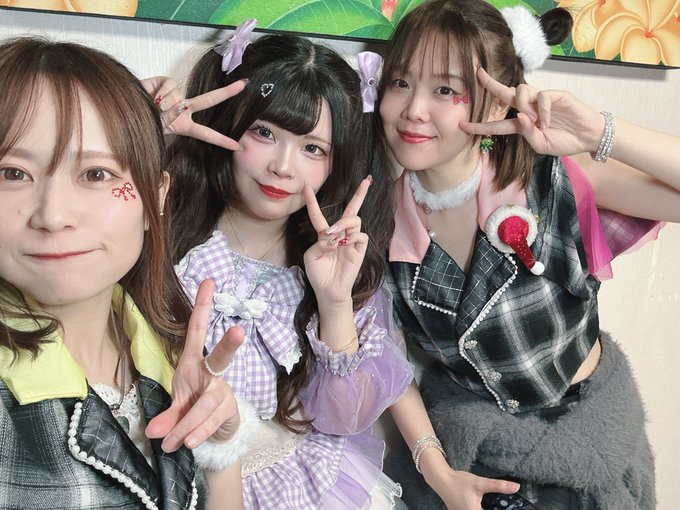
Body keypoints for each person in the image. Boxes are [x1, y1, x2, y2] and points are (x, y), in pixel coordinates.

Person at [377, 0, 680, 509]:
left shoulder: (553, 180)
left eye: (445, 90)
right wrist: (438, 472)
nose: (414, 110)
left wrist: (596, 132)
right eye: (400, 82)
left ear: (497, 103)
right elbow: (383, 357)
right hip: (466, 459)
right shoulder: (377, 222)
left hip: (587, 450)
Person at [165, 28, 415, 509]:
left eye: (312, 148)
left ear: (336, 164)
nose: (283, 166)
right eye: (264, 132)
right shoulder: (167, 241)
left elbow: (343, 419)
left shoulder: (333, 270)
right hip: (173, 480)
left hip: (299, 486)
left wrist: (334, 302)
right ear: (226, 123)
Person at [0, 36, 247, 510]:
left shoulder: (172, 349)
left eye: (97, 174)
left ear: (157, 195)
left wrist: (220, 447)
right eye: (12, 173)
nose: (53, 216)